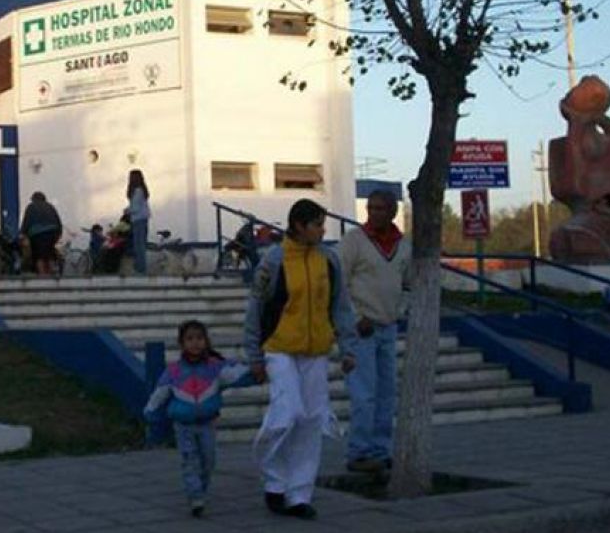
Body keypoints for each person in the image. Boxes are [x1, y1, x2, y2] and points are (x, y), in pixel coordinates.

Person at [243, 199, 357, 520]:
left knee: (310, 420)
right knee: (288, 412)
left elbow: (340, 308)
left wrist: (348, 349)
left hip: (316, 350)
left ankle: (297, 495)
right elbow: (256, 309)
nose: (323, 230)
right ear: (298, 226)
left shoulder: (329, 261)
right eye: (317, 224)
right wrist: (254, 355)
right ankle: (274, 480)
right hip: (279, 348)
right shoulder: (273, 261)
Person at [143, 320, 254, 517]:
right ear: (182, 343)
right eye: (190, 339)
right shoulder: (174, 371)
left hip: (207, 424)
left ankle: (201, 488)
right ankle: (195, 497)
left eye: (199, 338)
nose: (195, 343)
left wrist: (258, 372)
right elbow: (159, 394)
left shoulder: (215, 368)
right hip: (183, 425)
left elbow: (237, 375)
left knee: (208, 460)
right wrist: (150, 412)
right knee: (189, 459)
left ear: (206, 341)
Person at [339, 189, 412, 473]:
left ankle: (381, 450)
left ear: (392, 212)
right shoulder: (354, 241)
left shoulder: (403, 246)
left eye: (380, 208)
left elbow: (408, 283)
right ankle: (358, 451)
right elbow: (339, 284)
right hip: (362, 328)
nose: (373, 213)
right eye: (370, 208)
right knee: (364, 393)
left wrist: (400, 311)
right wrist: (356, 317)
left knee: (386, 392)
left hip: (388, 325)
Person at [19, 192, 63, 275]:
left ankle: (42, 276)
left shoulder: (31, 207)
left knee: (39, 256)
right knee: (49, 254)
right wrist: (58, 234)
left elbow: (26, 221)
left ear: (34, 199)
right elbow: (58, 221)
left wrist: (22, 233)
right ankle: (50, 274)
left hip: (37, 234)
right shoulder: (50, 206)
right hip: (52, 232)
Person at [126, 170, 151, 274]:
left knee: (138, 245)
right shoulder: (142, 191)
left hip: (138, 220)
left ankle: (140, 268)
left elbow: (135, 207)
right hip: (142, 219)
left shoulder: (137, 191)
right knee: (141, 244)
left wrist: (127, 210)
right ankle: (140, 268)